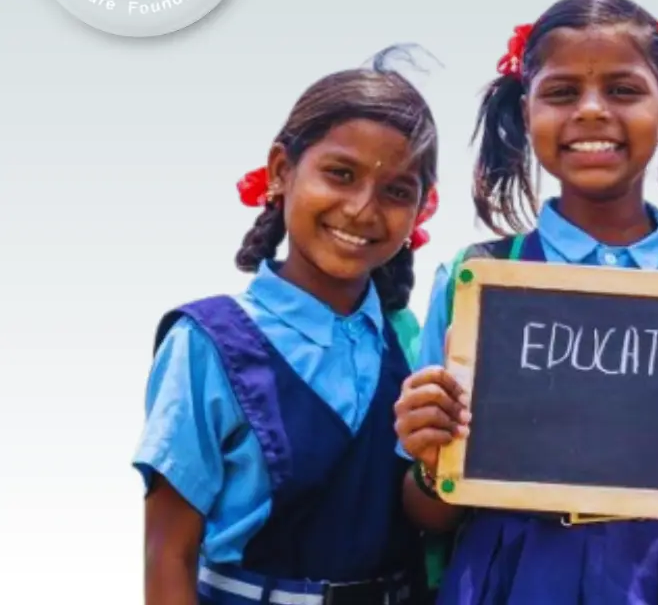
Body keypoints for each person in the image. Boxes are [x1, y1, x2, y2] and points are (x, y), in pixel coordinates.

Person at [393, 0, 658, 604]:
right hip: (514, 577)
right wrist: (427, 453)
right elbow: (428, 511)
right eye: (561, 92)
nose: (591, 111)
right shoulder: (479, 279)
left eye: (623, 90)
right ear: (527, 112)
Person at [134, 66, 440, 604]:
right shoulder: (207, 343)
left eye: (395, 190)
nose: (362, 208)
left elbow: (433, 512)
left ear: (421, 207)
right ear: (281, 170)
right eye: (340, 174)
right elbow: (168, 553)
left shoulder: (415, 345)